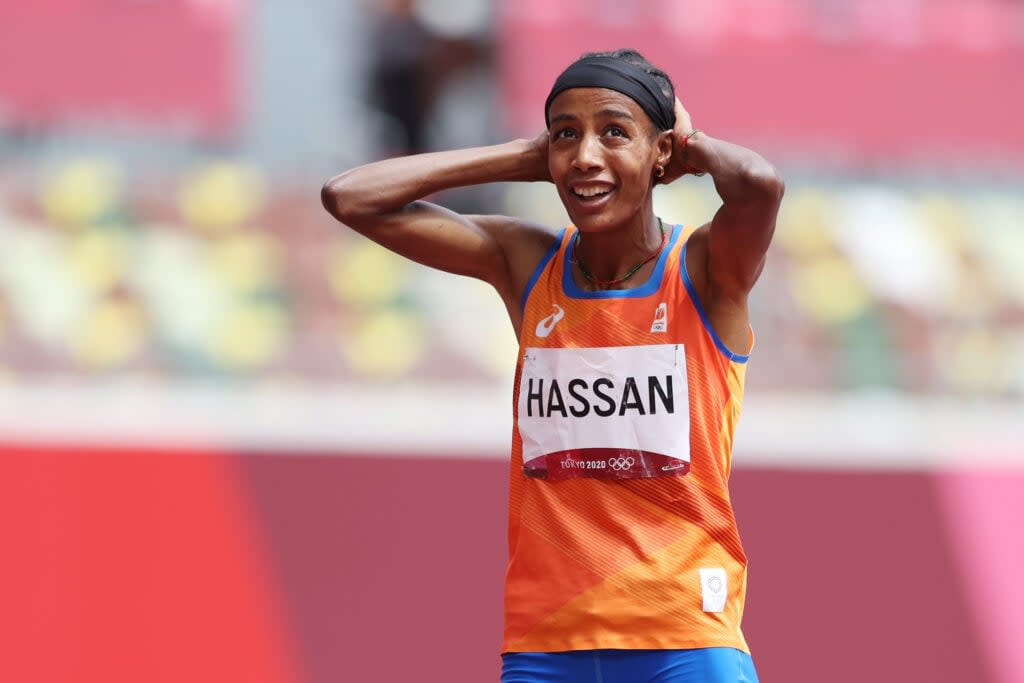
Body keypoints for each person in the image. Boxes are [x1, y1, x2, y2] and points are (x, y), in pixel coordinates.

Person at [322, 48, 783, 683]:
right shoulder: (526, 262)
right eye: (567, 135)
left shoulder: (705, 271)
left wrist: (690, 144)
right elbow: (350, 198)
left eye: (614, 132)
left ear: (662, 153)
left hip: (684, 641)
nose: (586, 156)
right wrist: (522, 157)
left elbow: (759, 186)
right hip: (546, 646)